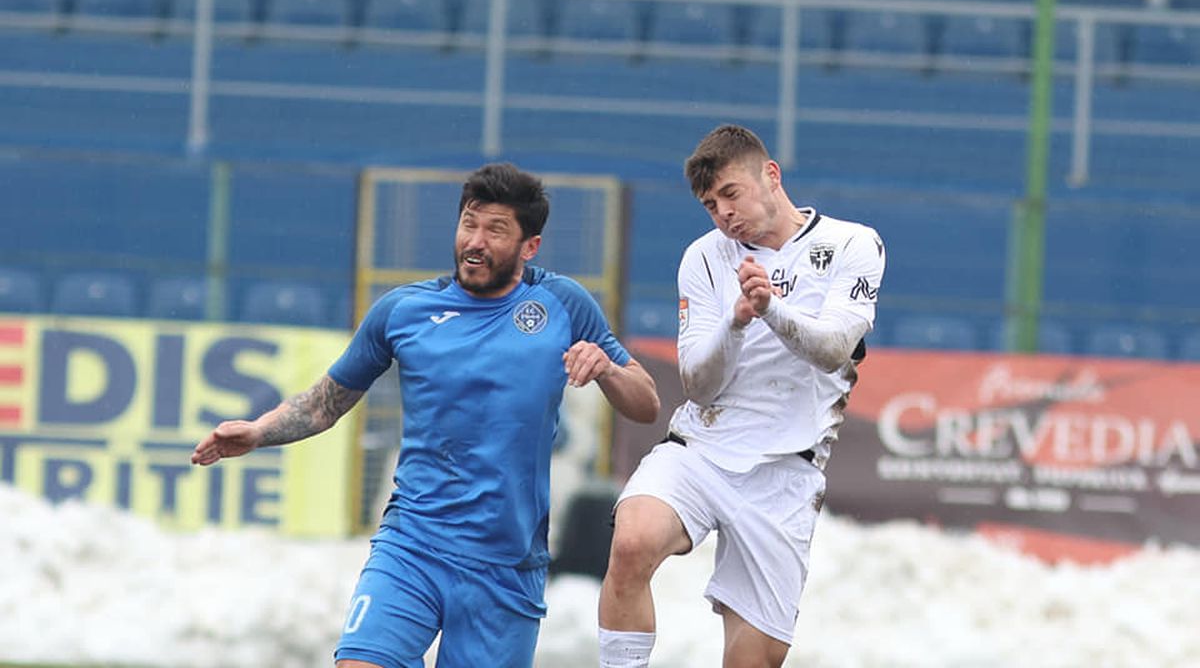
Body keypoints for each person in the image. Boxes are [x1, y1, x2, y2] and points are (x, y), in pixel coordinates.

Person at [191, 162, 660, 668]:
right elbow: (326, 402)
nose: (475, 241)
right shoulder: (404, 311)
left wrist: (609, 368)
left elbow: (646, 403)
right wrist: (259, 431)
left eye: (495, 230)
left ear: (530, 247)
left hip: (506, 566)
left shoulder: (562, 303)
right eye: (468, 223)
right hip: (412, 545)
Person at [597, 124, 886, 668]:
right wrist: (734, 323)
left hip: (786, 471)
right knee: (632, 542)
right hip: (703, 446)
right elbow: (697, 384)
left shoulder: (853, 243)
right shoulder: (704, 259)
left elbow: (833, 351)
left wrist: (772, 308)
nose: (723, 214)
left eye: (730, 194)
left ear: (770, 175)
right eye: (710, 205)